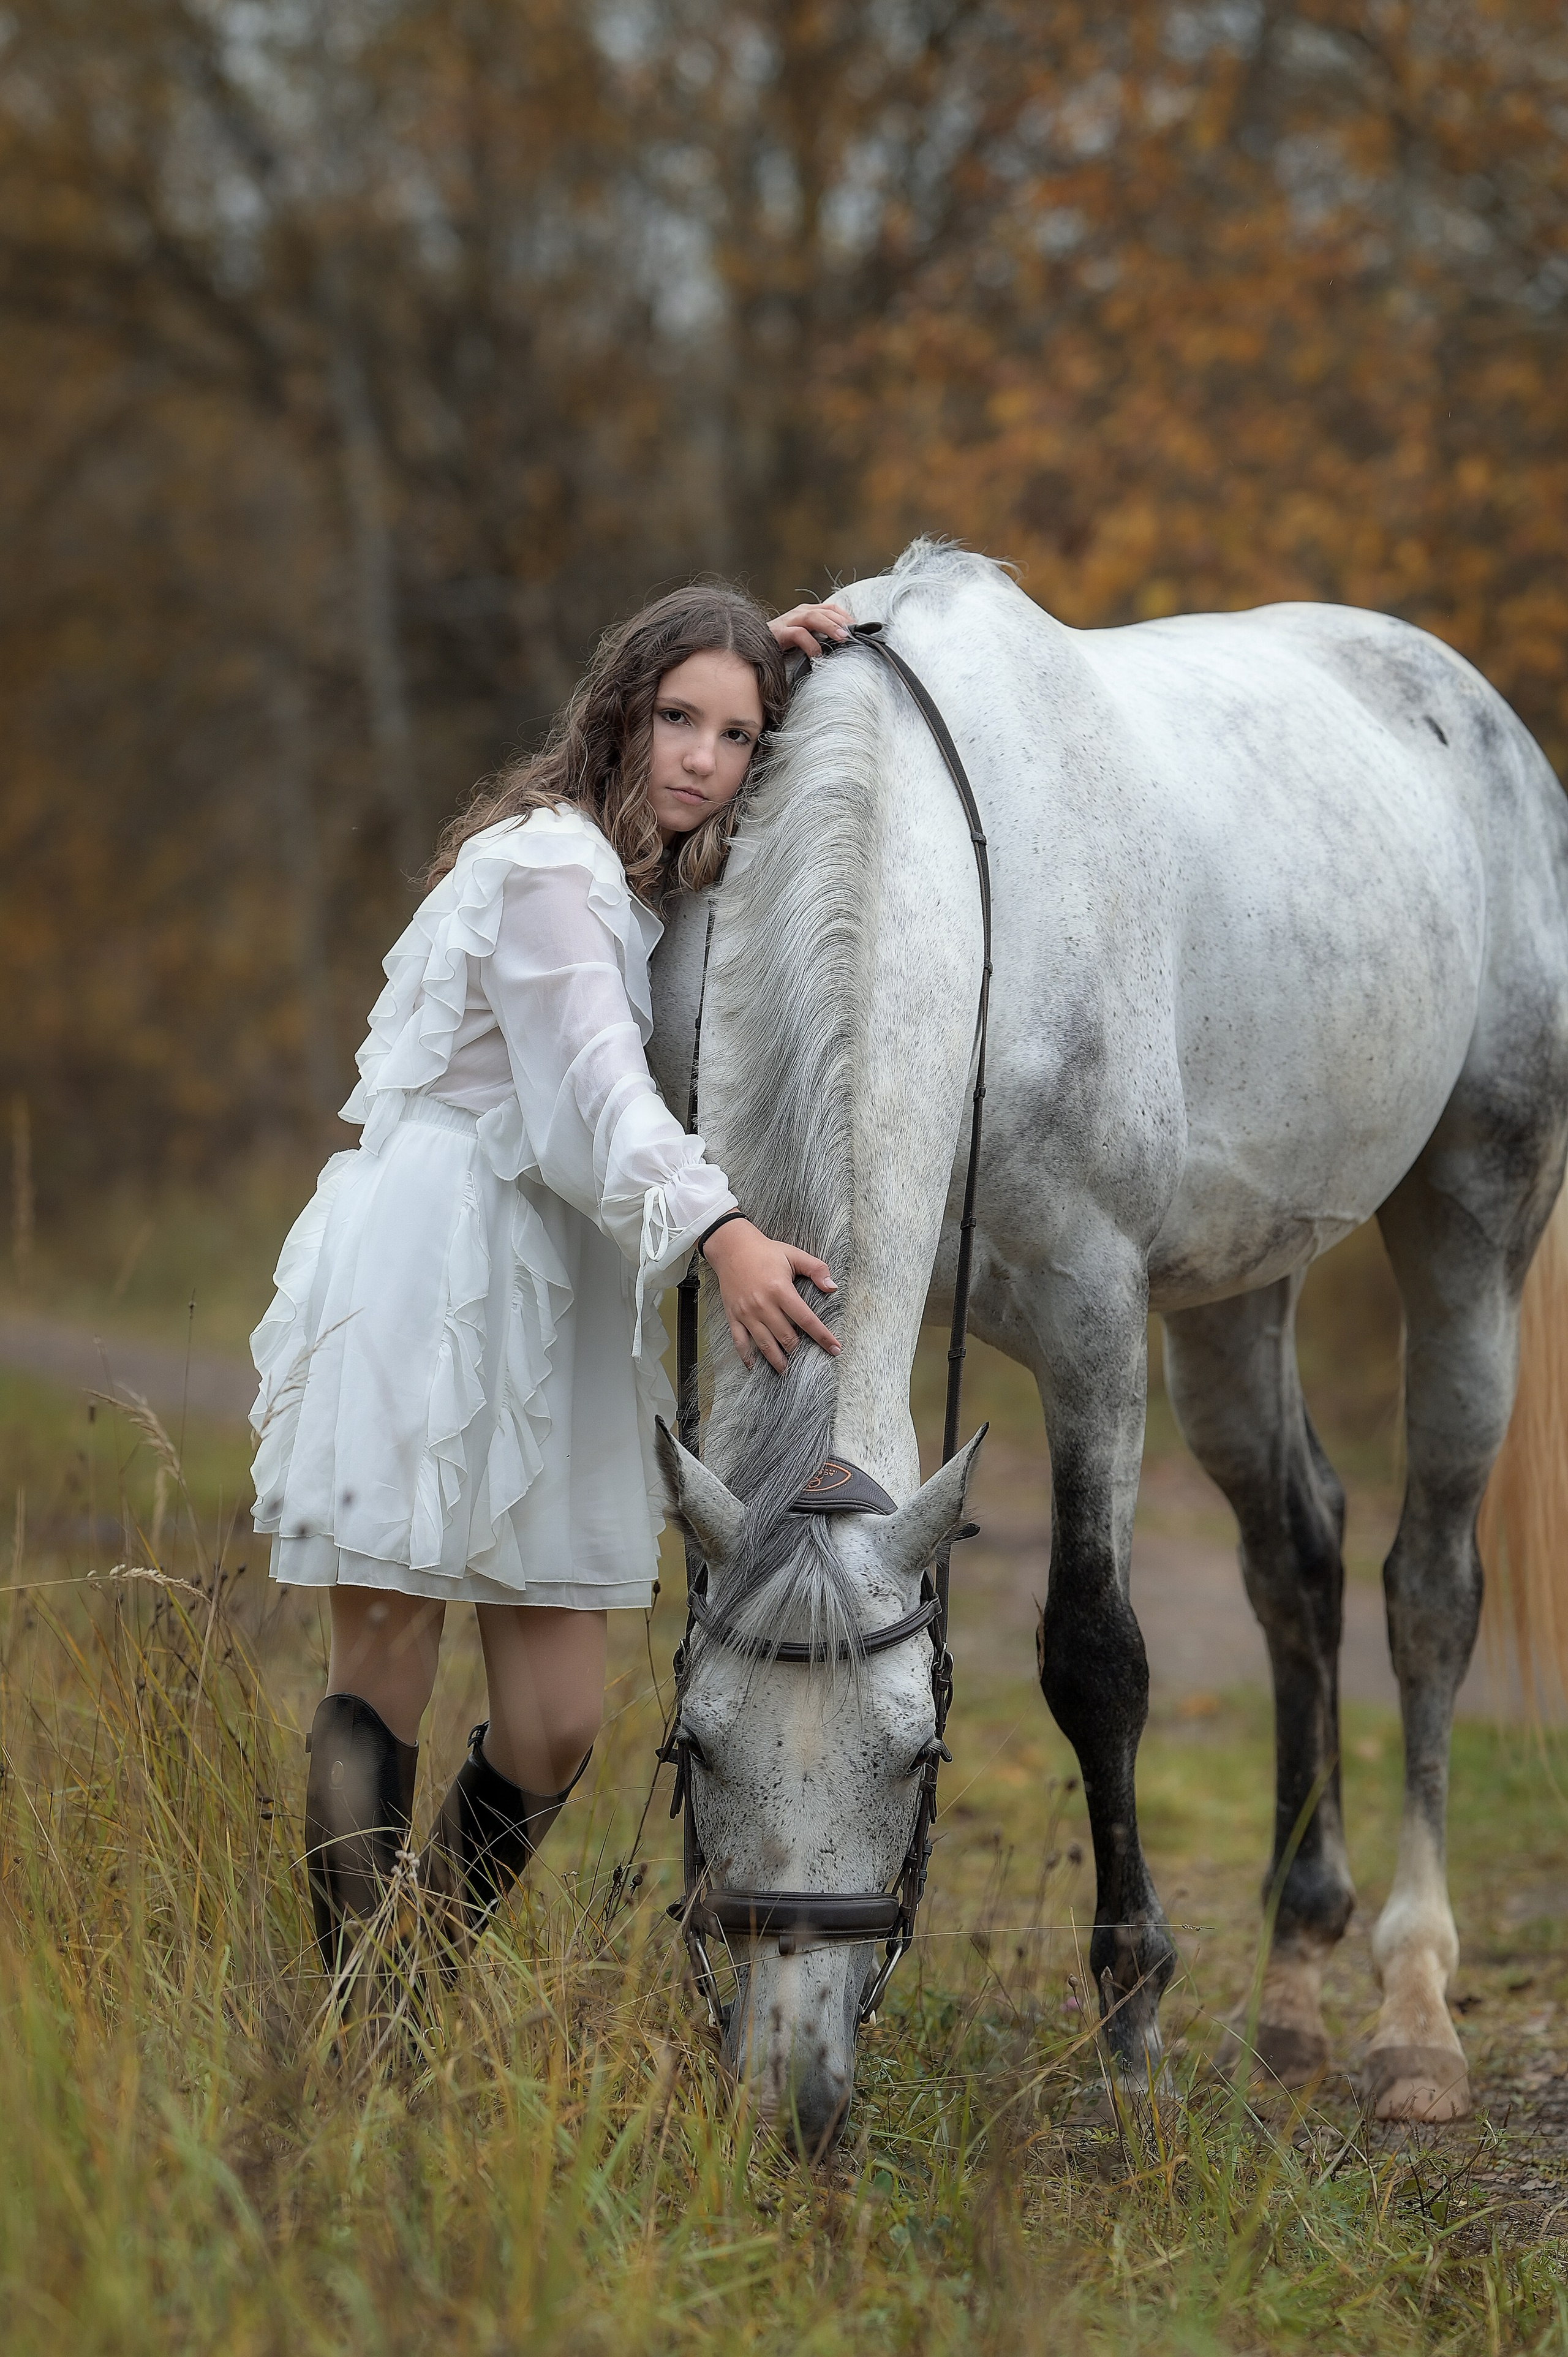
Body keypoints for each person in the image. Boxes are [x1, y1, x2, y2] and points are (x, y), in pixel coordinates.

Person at [249, 583, 853, 1991]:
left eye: (735, 735)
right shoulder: (549, 865)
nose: (701, 756)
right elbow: (587, 1085)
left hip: (561, 1287)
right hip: (442, 1259)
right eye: (676, 718)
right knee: (389, 1647)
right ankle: (361, 2025)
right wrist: (724, 1232)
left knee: (560, 1715)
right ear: (619, 711)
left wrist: (771, 638)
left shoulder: (630, 875)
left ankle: (414, 1969)